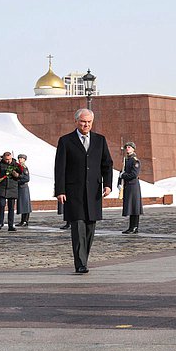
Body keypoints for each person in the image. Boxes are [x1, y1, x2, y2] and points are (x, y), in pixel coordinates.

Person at [54, 108, 114, 274]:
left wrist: (108, 184)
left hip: (94, 191)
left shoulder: (100, 140)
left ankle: (83, 259)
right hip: (73, 192)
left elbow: (107, 164)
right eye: (82, 121)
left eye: (88, 122)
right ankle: (80, 263)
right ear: (76, 122)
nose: (86, 125)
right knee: (78, 225)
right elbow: (60, 168)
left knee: (90, 228)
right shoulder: (66, 141)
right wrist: (60, 190)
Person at [118, 142, 143, 234]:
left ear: (133, 149)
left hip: (133, 186)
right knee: (130, 207)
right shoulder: (126, 160)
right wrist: (119, 183)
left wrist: (123, 176)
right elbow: (121, 172)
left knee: (134, 207)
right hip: (127, 186)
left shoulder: (135, 161)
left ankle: (135, 227)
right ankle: (131, 227)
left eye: (129, 147)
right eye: (126, 147)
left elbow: (134, 174)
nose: (127, 148)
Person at [0, 151, 20, 231]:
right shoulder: (0, 164)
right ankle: (0, 223)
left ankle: (10, 225)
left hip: (12, 188)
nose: (8, 161)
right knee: (1, 206)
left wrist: (17, 175)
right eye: (6, 159)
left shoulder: (16, 164)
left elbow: (21, 175)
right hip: (2, 188)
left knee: (11, 208)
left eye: (9, 159)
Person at [15, 154, 31, 226]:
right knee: (22, 204)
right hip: (20, 187)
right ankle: (23, 220)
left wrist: (18, 177)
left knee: (25, 204)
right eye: (19, 158)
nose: (20, 159)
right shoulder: (19, 167)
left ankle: (25, 220)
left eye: (21, 158)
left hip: (23, 187)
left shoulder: (24, 168)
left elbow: (26, 178)